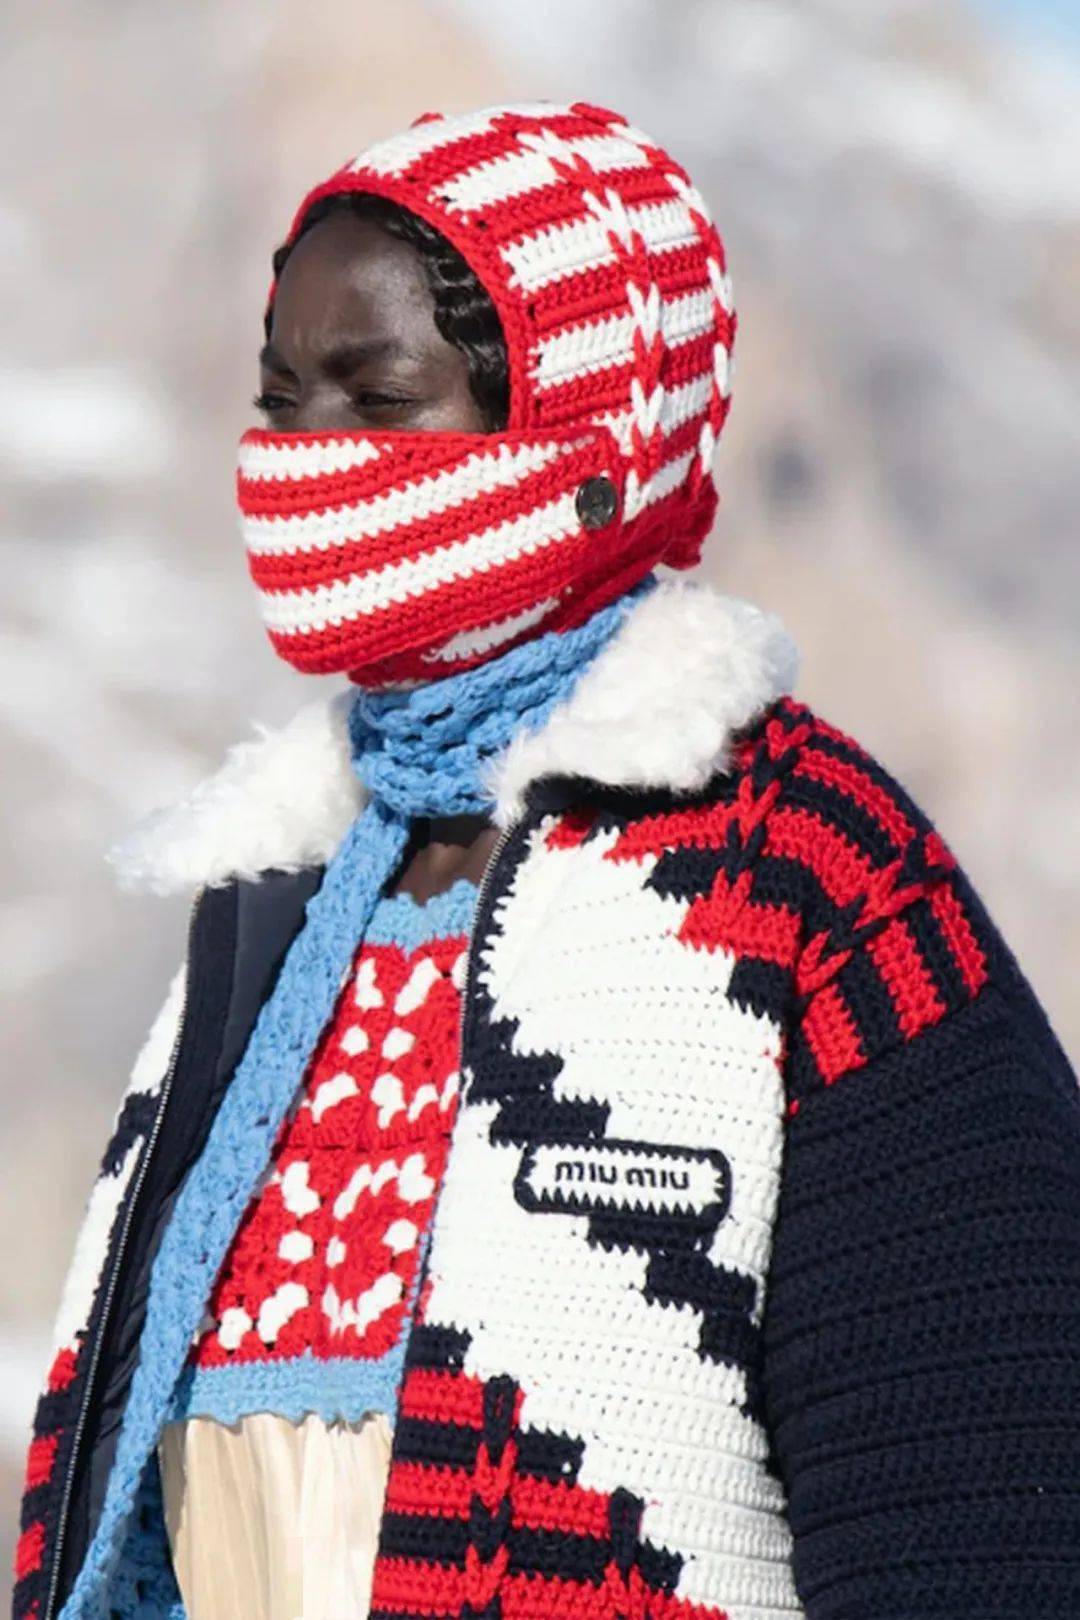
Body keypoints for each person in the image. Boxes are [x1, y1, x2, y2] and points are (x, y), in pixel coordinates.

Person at [13, 100, 1080, 1620]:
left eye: (375, 398)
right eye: (278, 401)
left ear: (587, 447)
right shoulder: (270, 902)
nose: (303, 462)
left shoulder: (802, 876)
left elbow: (986, 1515)